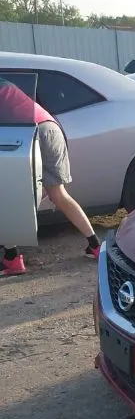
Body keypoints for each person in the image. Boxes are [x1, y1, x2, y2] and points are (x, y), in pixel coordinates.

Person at [0, 79, 101, 276]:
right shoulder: (6, 82)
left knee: (5, 198)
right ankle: (95, 246)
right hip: (50, 128)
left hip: (27, 135)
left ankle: (12, 258)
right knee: (59, 194)